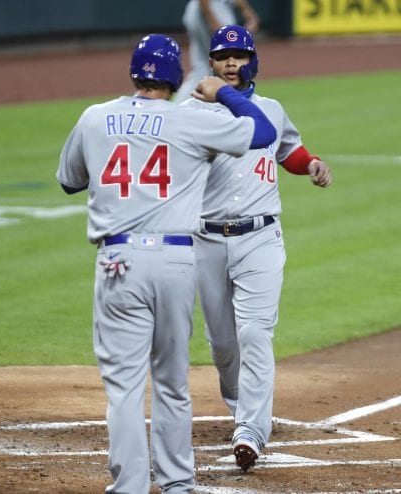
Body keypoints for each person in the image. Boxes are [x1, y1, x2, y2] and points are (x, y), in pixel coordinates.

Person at [56, 33, 276, 494]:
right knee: (173, 383)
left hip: (119, 261)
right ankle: (178, 483)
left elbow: (69, 181)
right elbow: (263, 132)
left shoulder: (94, 118)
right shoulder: (188, 122)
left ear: (134, 72)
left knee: (124, 388)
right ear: (177, 78)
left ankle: (131, 487)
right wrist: (225, 92)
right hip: (178, 259)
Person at [183, 24, 332, 472]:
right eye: (223, 56)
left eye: (239, 56)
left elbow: (289, 150)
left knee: (254, 334)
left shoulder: (270, 109)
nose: (231, 63)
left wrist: (312, 164)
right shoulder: (191, 116)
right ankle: (240, 406)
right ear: (210, 64)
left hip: (261, 237)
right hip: (206, 239)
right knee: (223, 344)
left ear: (253, 62)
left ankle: (250, 430)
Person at [174, 0, 259, 103]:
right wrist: (211, 18)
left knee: (204, 66)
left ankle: (179, 106)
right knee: (224, 64)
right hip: (210, 8)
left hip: (208, 9)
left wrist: (247, 11)